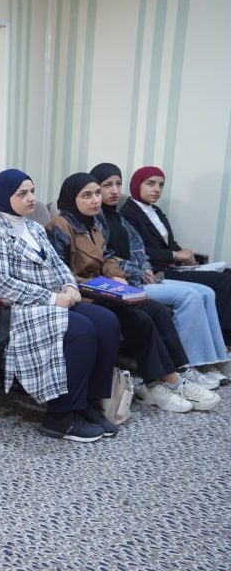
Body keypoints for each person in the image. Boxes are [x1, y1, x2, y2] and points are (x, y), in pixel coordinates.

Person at [0, 169, 121, 440]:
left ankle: (87, 403)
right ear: (3, 197)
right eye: (22, 193)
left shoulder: (34, 228)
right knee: (81, 329)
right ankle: (60, 417)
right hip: (12, 309)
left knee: (107, 322)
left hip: (47, 302)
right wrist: (52, 298)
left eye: (32, 192)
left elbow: (59, 265)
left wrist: (70, 286)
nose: (31, 198)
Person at [46, 173, 219, 412]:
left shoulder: (92, 224)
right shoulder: (59, 226)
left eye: (96, 193)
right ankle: (161, 384)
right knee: (138, 318)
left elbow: (107, 257)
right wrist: (100, 286)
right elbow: (59, 273)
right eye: (86, 195)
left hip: (104, 289)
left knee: (156, 310)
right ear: (71, 197)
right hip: (82, 294)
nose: (95, 200)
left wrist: (115, 275)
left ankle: (178, 372)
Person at [92, 162, 230, 385]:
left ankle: (215, 358)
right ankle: (192, 363)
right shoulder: (96, 219)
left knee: (207, 292)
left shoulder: (118, 217)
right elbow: (106, 257)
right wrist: (140, 270)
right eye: (107, 185)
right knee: (190, 296)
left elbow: (138, 249)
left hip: (144, 277)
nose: (115, 190)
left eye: (118, 184)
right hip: (128, 282)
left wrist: (145, 266)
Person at [119, 165, 231, 338]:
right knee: (223, 281)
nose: (157, 189)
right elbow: (138, 251)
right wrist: (175, 255)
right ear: (136, 184)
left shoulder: (156, 211)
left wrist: (186, 255)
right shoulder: (127, 213)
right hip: (157, 271)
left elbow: (169, 244)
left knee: (228, 272)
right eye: (150, 183)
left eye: (161, 185)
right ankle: (225, 337)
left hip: (173, 266)